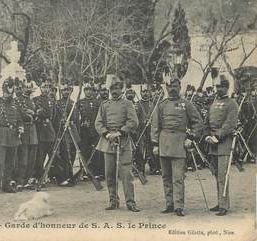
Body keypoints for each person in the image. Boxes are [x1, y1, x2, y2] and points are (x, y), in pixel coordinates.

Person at [151, 77, 203, 217]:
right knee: (166, 176)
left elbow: (198, 123)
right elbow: (155, 125)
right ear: (166, 88)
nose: (172, 89)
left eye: (175, 86)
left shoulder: (186, 104)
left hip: (180, 144)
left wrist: (191, 138)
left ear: (180, 87)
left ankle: (179, 206)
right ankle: (169, 204)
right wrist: (155, 144)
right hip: (164, 143)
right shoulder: (161, 105)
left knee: (178, 177)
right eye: (170, 86)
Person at [95, 79, 140, 212]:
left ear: (122, 90)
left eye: (117, 89)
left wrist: (120, 133)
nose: (114, 92)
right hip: (108, 142)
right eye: (112, 89)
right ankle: (113, 201)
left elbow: (133, 122)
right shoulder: (104, 105)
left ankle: (130, 202)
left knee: (126, 174)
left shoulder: (128, 104)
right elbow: (98, 123)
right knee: (109, 173)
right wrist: (107, 134)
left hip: (123, 142)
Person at [205, 75, 239, 216]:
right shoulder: (214, 102)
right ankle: (220, 202)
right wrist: (207, 134)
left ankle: (224, 205)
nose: (218, 89)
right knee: (216, 174)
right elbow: (207, 120)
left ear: (226, 87)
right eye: (217, 87)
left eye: (221, 87)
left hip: (224, 143)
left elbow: (229, 125)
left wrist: (216, 136)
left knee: (222, 176)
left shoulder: (232, 104)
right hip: (212, 143)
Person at [0, 77, 24, 194]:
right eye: (7, 92)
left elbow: (19, 120)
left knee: (10, 163)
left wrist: (20, 128)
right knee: (0, 164)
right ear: (3, 91)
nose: (9, 95)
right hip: (2, 136)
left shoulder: (15, 105)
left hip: (13, 136)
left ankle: (6, 185)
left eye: (11, 92)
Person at [52, 82, 78, 186]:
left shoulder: (73, 103)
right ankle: (63, 177)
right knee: (64, 155)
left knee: (72, 153)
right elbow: (55, 120)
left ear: (71, 91)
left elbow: (76, 120)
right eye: (64, 90)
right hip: (63, 132)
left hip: (72, 132)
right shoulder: (57, 104)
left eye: (68, 90)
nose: (66, 92)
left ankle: (70, 175)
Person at [14, 81, 38, 190]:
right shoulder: (18, 100)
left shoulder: (32, 101)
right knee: (23, 158)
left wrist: (33, 114)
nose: (28, 89)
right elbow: (21, 115)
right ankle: (20, 180)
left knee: (32, 158)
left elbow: (37, 114)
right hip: (24, 130)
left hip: (33, 131)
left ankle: (28, 179)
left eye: (30, 88)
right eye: (26, 87)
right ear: (22, 88)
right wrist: (32, 115)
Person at [77, 81, 102, 179]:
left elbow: (101, 117)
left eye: (90, 90)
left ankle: (96, 172)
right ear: (84, 91)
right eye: (86, 90)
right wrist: (82, 124)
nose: (88, 92)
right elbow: (76, 118)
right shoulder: (80, 103)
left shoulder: (98, 102)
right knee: (84, 151)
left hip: (95, 131)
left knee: (96, 152)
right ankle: (85, 172)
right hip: (84, 132)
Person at [33, 80, 56, 183]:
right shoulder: (35, 100)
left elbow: (54, 117)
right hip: (40, 131)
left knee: (53, 155)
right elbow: (35, 115)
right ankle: (39, 177)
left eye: (47, 87)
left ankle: (53, 176)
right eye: (43, 87)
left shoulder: (52, 101)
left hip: (50, 132)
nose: (45, 89)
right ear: (40, 87)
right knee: (40, 156)